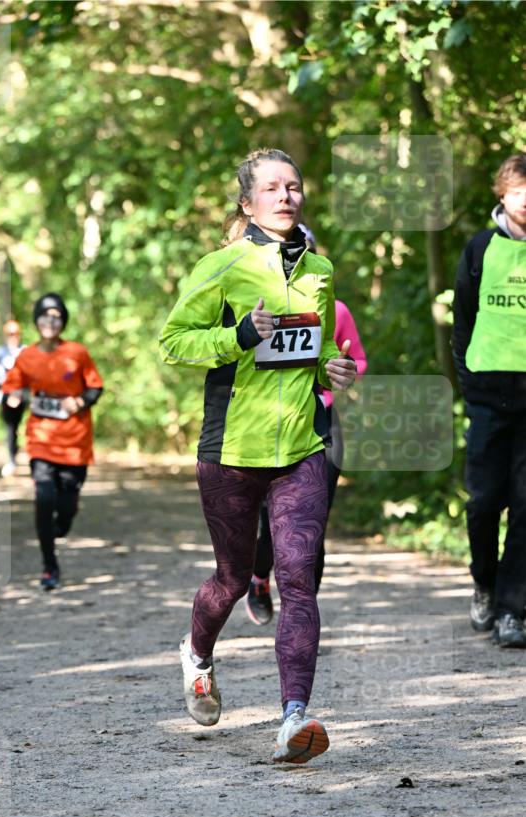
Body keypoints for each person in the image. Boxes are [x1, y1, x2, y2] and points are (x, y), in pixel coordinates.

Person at [159, 148, 356, 764]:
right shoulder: (221, 265)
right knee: (233, 579)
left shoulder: (320, 268)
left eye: (294, 186)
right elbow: (173, 342)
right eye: (272, 188)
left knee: (298, 579)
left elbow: (308, 349)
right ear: (247, 203)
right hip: (231, 450)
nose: (286, 195)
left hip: (301, 445)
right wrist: (239, 334)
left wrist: (332, 366)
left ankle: (294, 718)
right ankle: (197, 654)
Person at [245, 228, 368, 626]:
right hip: (271, 420)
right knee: (270, 521)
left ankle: (301, 610)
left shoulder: (338, 309)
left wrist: (342, 369)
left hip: (322, 419)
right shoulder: (260, 307)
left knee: (315, 520)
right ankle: (260, 578)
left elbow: (358, 360)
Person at [452, 152, 526, 649]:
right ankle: (483, 582)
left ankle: (512, 610)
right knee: (483, 503)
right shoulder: (480, 249)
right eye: (521, 192)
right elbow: (462, 318)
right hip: (486, 394)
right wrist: (467, 380)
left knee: (525, 506)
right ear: (503, 193)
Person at [2, 293, 103, 590]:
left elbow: (96, 388)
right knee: (44, 499)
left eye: (56, 315)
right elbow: (11, 386)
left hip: (75, 442)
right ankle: (49, 567)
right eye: (45, 315)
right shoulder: (27, 356)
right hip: (41, 441)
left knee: (67, 504)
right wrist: (12, 397)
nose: (50, 320)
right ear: (36, 321)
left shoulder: (77, 352)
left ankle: (64, 520)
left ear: (63, 321)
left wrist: (80, 402)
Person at [0, 319, 25, 477]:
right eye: (10, 334)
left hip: (23, 395)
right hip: (5, 395)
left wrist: (21, 393)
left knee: (21, 427)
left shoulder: (25, 351)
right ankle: (11, 460)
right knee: (11, 428)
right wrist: (4, 393)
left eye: (15, 334)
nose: (13, 337)